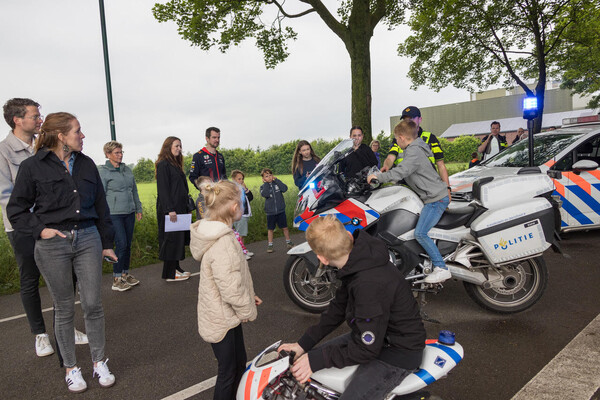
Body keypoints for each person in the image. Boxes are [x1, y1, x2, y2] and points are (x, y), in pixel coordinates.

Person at [7, 112, 117, 393]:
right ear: (61, 136)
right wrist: (40, 230)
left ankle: (99, 361)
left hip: (88, 238)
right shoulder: (33, 167)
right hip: (52, 243)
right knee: (64, 308)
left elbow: (102, 207)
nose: (82, 136)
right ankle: (71, 367)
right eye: (77, 131)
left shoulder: (87, 164)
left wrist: (107, 242)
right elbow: (16, 209)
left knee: (93, 304)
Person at [278, 216, 425, 400]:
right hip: (374, 335)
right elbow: (338, 308)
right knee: (309, 362)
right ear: (348, 235)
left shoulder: (367, 284)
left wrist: (316, 360)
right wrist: (303, 345)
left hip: (398, 351)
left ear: (321, 258)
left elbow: (366, 349)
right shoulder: (357, 261)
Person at [1, 99, 88, 358]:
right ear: (17, 120)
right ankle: (39, 334)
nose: (40, 120)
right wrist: (37, 225)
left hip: (56, 225)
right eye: (35, 116)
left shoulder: (46, 148)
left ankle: (66, 327)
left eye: (40, 116)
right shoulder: (4, 151)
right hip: (24, 227)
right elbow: (8, 197)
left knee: (66, 276)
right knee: (30, 278)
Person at [189, 180, 262, 400]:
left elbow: (233, 276)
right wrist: (247, 310)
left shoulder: (222, 234)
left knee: (239, 364)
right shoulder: (222, 242)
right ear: (233, 207)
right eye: (241, 202)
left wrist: (249, 295)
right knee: (228, 372)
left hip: (225, 315)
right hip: (222, 319)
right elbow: (230, 288)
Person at [368, 120, 451, 284]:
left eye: (396, 140)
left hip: (436, 199)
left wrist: (378, 177)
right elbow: (406, 172)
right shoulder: (415, 149)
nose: (396, 143)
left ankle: (441, 268)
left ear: (401, 138)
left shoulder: (414, 152)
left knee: (420, 233)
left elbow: (403, 170)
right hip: (433, 196)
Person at [98, 141, 143, 292]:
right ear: (108, 154)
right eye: (117, 152)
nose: (120, 155)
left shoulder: (127, 170)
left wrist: (138, 208)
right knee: (121, 244)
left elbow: (134, 191)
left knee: (128, 245)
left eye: (121, 152)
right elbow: (101, 195)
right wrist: (102, 216)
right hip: (114, 214)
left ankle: (125, 274)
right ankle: (116, 278)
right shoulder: (103, 172)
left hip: (129, 212)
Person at [381, 106, 450, 199]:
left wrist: (447, 189)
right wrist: (386, 166)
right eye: (405, 120)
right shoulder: (398, 139)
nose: (408, 122)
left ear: (420, 119)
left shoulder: (430, 138)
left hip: (428, 191)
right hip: (405, 189)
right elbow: (390, 158)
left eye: (411, 118)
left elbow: (441, 165)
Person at [155, 137, 191, 282]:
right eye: (176, 146)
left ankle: (176, 268)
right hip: (170, 210)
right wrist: (170, 209)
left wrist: (187, 207)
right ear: (168, 147)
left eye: (180, 146)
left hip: (180, 208)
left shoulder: (175, 164)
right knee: (170, 241)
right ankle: (170, 274)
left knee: (177, 240)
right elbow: (163, 189)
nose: (179, 148)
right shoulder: (163, 165)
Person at [260, 168, 293, 253]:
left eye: (270, 175)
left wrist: (277, 180)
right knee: (270, 229)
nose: (269, 177)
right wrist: (266, 184)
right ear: (263, 179)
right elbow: (265, 194)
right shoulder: (263, 187)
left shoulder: (277, 183)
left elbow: (285, 189)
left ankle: (289, 242)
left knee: (285, 227)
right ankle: (270, 245)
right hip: (270, 212)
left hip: (280, 210)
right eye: (266, 176)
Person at [231, 170, 253, 260]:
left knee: (242, 234)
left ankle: (243, 249)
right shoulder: (234, 189)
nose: (241, 181)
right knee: (240, 234)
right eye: (239, 179)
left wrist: (246, 189)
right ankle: (241, 253)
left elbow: (251, 197)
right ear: (233, 179)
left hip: (245, 213)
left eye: (242, 179)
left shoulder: (242, 188)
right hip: (240, 214)